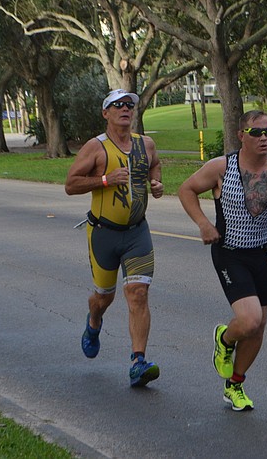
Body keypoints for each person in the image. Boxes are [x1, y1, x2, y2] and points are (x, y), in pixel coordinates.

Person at [178, 109, 267, 411]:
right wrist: (203, 223)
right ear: (241, 136)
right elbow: (186, 189)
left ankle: (235, 384)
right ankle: (224, 339)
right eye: (256, 133)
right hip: (230, 252)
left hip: (264, 254)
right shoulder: (222, 167)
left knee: (259, 327)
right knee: (249, 320)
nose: (264, 137)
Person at [65, 89, 164, 387]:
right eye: (117, 105)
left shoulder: (145, 144)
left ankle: (138, 362)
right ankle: (93, 322)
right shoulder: (96, 148)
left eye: (129, 105)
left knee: (138, 293)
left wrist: (156, 182)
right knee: (103, 298)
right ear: (105, 113)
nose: (125, 109)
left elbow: (155, 163)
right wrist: (106, 180)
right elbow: (70, 184)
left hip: (137, 233)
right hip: (103, 234)